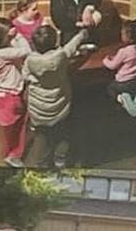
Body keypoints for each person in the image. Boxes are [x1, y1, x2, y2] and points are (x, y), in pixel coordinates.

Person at [20, 21, 96, 168]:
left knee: (43, 138)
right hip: (59, 105)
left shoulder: (30, 60)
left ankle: (43, 163)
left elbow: (25, 76)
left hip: (38, 109)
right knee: (62, 133)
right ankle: (60, 158)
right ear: (55, 41)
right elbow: (71, 47)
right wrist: (82, 34)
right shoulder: (60, 56)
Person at [0, 8, 35, 165]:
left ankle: (7, 153)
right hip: (11, 95)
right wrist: (19, 35)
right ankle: (13, 156)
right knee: (18, 126)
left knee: (9, 129)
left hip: (3, 94)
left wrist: (10, 35)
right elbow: (26, 51)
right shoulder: (2, 53)